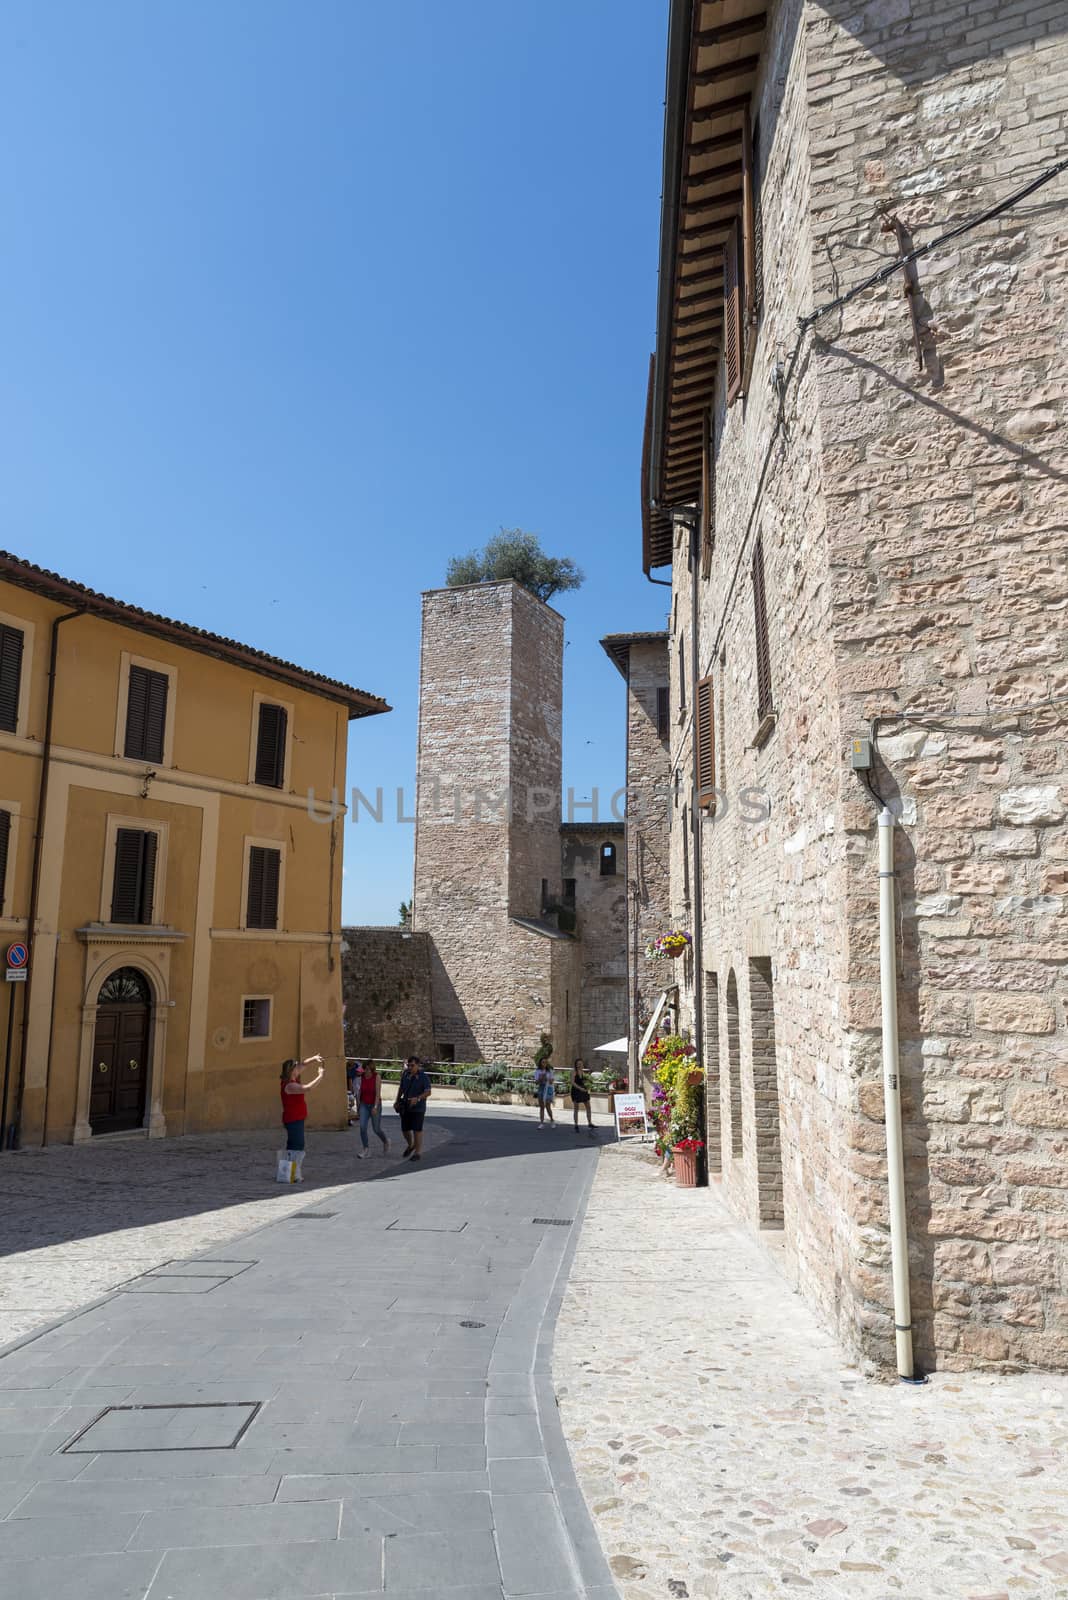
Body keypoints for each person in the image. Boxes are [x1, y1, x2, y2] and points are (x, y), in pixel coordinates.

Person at [279, 1054, 325, 1181]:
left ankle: (290, 1172)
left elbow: (303, 1064)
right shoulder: (289, 1085)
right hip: (293, 1119)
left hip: (296, 1118)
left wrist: (314, 1058)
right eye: (296, 1067)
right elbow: (308, 1088)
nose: (298, 1069)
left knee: (294, 1145)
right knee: (297, 1145)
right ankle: (293, 1173)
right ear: (291, 1070)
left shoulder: (291, 1080)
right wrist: (320, 1076)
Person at [395, 1055, 432, 1162]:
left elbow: (428, 1092)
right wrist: (397, 1101)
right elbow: (401, 1088)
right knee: (405, 1129)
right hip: (406, 1106)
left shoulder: (423, 1077)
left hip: (418, 1108)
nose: (410, 1067)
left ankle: (418, 1152)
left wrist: (418, 1098)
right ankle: (411, 1145)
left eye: (412, 1065)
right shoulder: (405, 1074)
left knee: (417, 1129)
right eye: (408, 1065)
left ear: (418, 1065)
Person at [355, 1061, 389, 1158]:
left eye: (368, 1069)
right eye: (365, 1069)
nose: (366, 1071)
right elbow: (359, 1092)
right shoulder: (361, 1078)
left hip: (375, 1104)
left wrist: (375, 1107)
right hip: (364, 1104)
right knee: (362, 1127)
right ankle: (366, 1149)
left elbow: (378, 1093)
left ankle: (385, 1141)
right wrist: (358, 1106)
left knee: (376, 1129)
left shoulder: (377, 1077)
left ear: (372, 1070)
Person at [569, 1057, 596, 1140]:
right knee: (576, 1108)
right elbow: (572, 1082)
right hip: (576, 1091)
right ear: (576, 1064)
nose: (579, 1065)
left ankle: (590, 1122)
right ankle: (576, 1125)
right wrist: (580, 1088)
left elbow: (583, 1081)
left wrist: (588, 1084)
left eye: (581, 1063)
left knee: (588, 1106)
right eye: (578, 1063)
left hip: (583, 1090)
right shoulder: (573, 1072)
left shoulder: (582, 1071)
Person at [534, 1059, 557, 1127]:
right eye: (543, 1062)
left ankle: (552, 1120)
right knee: (541, 1107)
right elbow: (536, 1082)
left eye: (545, 1062)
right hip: (541, 1088)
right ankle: (541, 1123)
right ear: (540, 1063)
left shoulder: (549, 1071)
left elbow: (552, 1081)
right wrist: (541, 1078)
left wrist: (548, 1079)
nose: (544, 1064)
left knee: (548, 1106)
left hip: (548, 1089)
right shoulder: (537, 1071)